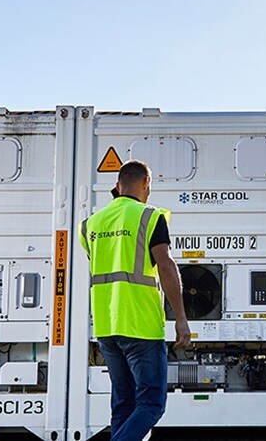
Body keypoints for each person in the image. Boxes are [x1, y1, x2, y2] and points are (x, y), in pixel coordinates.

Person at [80, 159, 191, 441]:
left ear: (117, 186)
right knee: (152, 404)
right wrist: (180, 319)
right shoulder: (150, 217)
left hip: (107, 327)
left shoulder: (92, 224)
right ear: (145, 184)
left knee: (123, 405)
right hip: (140, 325)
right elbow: (165, 266)